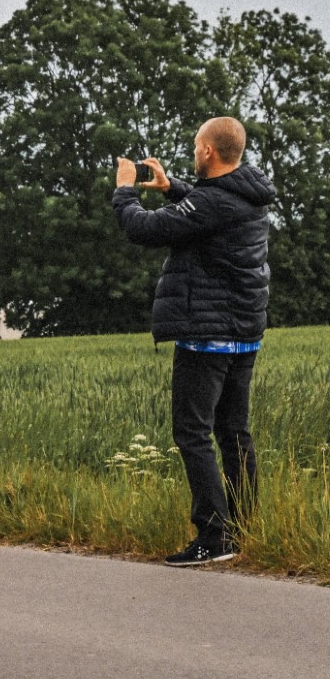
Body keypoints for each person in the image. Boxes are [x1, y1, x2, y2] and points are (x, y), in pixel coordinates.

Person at [114, 116, 275, 566]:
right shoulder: (247, 194)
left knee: (192, 432)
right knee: (234, 433)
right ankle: (241, 529)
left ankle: (213, 537)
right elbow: (208, 209)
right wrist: (172, 188)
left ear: (208, 151)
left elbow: (144, 229)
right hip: (243, 335)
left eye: (195, 146)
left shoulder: (213, 201)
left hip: (207, 335)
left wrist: (125, 189)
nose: (193, 151)